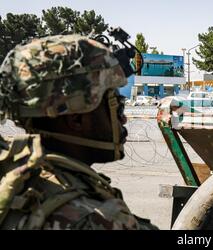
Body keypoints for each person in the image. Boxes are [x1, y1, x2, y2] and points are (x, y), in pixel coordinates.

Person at [0, 34, 158, 229]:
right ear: (76, 119)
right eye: (117, 107)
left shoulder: (15, 177)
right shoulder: (94, 219)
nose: (123, 119)